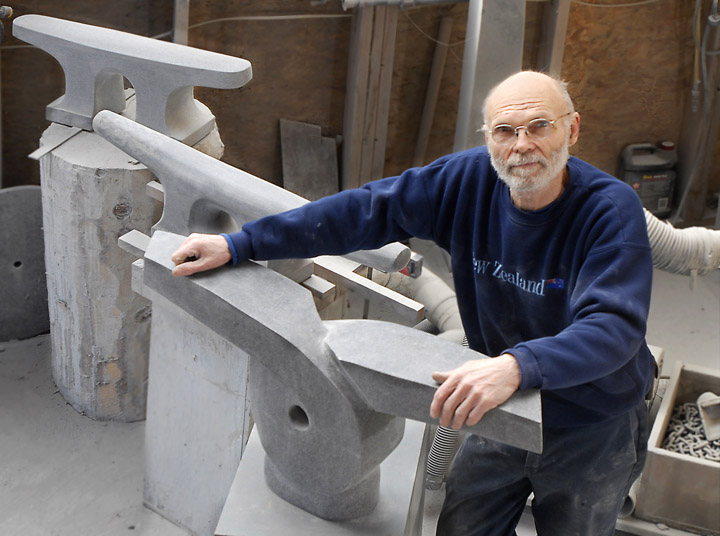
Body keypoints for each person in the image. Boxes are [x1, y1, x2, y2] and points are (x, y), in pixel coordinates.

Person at [170, 71, 653, 535]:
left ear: (572, 128)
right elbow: (364, 210)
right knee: (464, 527)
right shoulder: (466, 182)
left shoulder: (607, 210)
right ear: (489, 139)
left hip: (591, 420)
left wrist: (513, 366)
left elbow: (613, 328)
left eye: (539, 126)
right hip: (502, 403)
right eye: (505, 131)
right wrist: (242, 244)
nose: (522, 145)